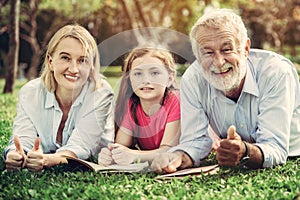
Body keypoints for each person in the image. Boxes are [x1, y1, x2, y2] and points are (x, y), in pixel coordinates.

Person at [151, 8, 300, 173]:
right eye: (208, 52)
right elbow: (194, 141)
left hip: (293, 153)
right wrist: (179, 156)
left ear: (245, 49)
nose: (219, 62)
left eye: (227, 49)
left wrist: (245, 151)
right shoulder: (192, 79)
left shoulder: (275, 72)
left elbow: (276, 147)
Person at [4, 24, 115, 172]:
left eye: (82, 60)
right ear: (50, 61)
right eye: (65, 58)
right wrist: (16, 155)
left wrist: (46, 160)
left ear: (91, 66)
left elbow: (81, 145)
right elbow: (23, 139)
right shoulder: (30, 93)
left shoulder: (100, 93)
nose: (74, 69)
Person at [98, 47, 180, 166]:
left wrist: (134, 155)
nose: (146, 80)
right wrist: (110, 155)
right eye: (138, 73)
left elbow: (168, 150)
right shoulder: (133, 106)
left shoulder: (175, 101)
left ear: (170, 78)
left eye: (155, 73)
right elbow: (121, 145)